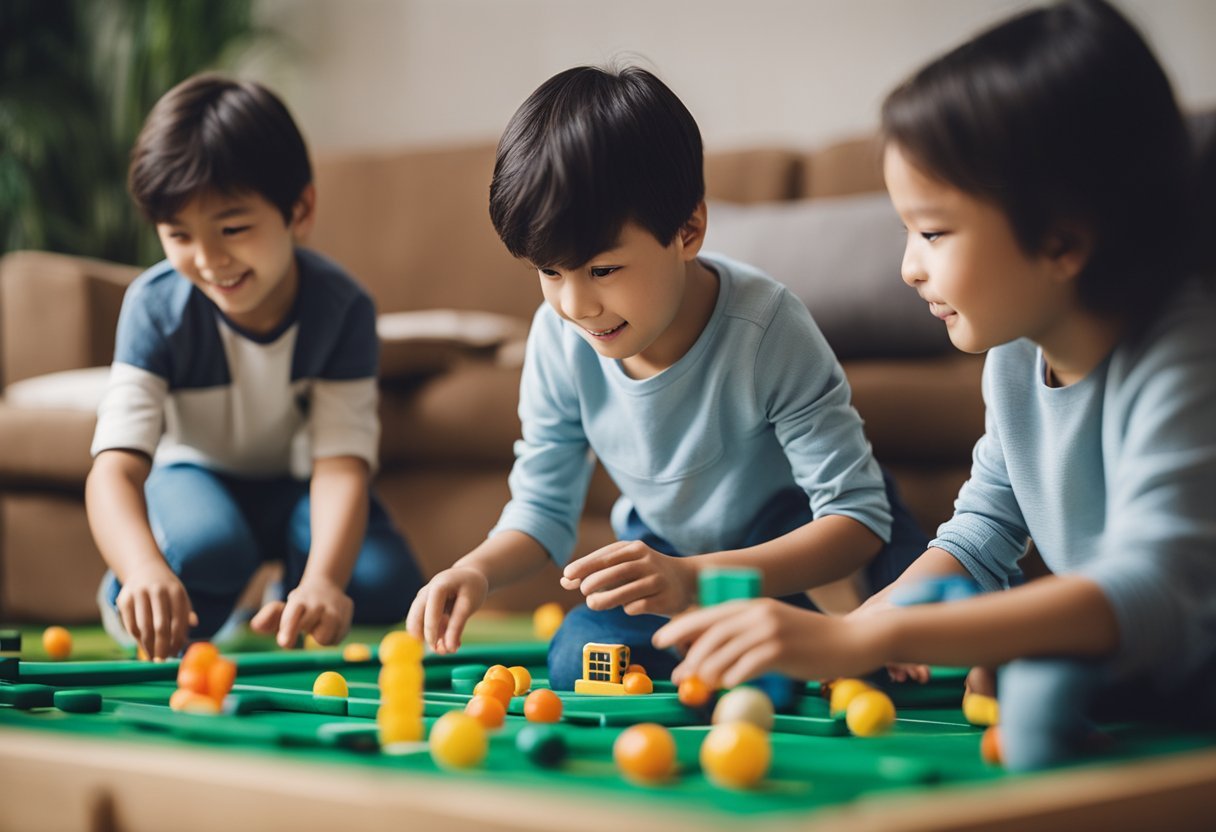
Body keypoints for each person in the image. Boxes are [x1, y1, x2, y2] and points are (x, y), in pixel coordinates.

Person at [654, 0, 1216, 772]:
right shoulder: (1018, 356)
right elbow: (982, 534)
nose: (908, 267)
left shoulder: (1183, 355)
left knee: (1035, 688)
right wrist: (870, 631)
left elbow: (1152, 588)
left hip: (1190, 667)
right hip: (1131, 663)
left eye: (934, 231)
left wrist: (874, 632)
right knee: (1014, 668)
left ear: (1062, 236)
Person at [406, 65, 927, 689]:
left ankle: (798, 644)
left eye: (601, 271)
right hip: (670, 550)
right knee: (579, 660)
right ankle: (754, 650)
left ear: (688, 231)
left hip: (801, 536)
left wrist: (697, 582)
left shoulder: (767, 328)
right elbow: (542, 507)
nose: (575, 307)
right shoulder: (558, 339)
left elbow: (855, 520)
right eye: (549, 273)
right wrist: (476, 570)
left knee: (920, 625)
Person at [86, 74, 425, 661]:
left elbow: (340, 467)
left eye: (234, 228)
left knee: (382, 583)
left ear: (300, 209)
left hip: (298, 488)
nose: (209, 259)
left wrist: (322, 580)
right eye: (179, 234)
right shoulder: (155, 308)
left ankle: (282, 590)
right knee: (208, 555)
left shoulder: (342, 308)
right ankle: (131, 595)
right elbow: (113, 471)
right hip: (196, 478)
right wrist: (141, 568)